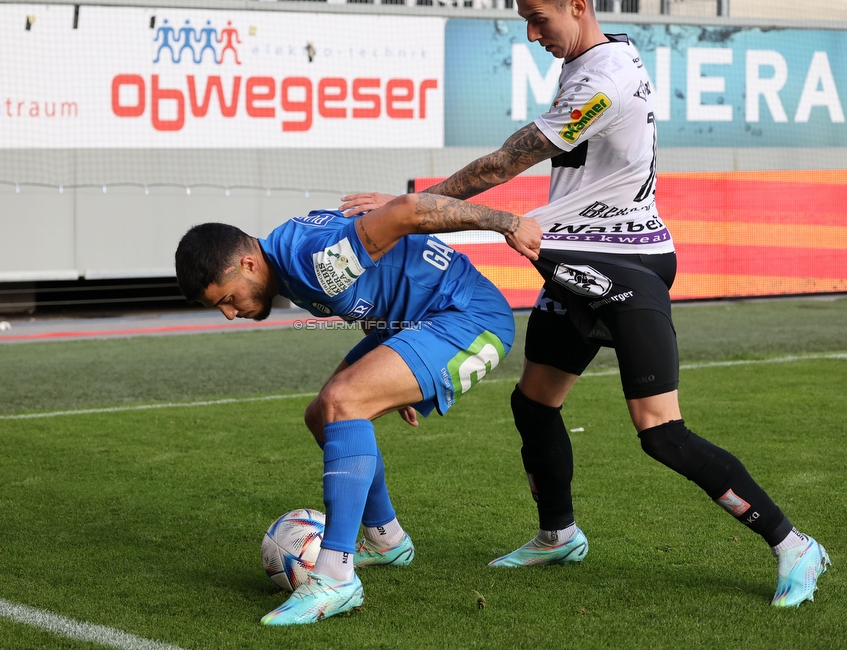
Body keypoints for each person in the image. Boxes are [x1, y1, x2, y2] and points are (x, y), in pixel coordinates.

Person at [340, 0, 829, 608]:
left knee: (661, 432)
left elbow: (503, 163)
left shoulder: (602, 80)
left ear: (578, 6)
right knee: (535, 402)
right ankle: (558, 533)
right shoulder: (596, 55)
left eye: (540, 16)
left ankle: (793, 544)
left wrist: (407, 208)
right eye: (524, 17)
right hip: (577, 264)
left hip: (626, 265)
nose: (531, 32)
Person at [175, 193, 542, 625]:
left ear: (249, 265)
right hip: (415, 322)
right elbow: (378, 278)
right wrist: (396, 367)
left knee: (342, 401)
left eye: (227, 299)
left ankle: (335, 577)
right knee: (322, 415)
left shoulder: (314, 262)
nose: (229, 314)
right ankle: (387, 539)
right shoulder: (285, 259)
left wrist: (509, 222)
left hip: (468, 318)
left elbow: (408, 211)